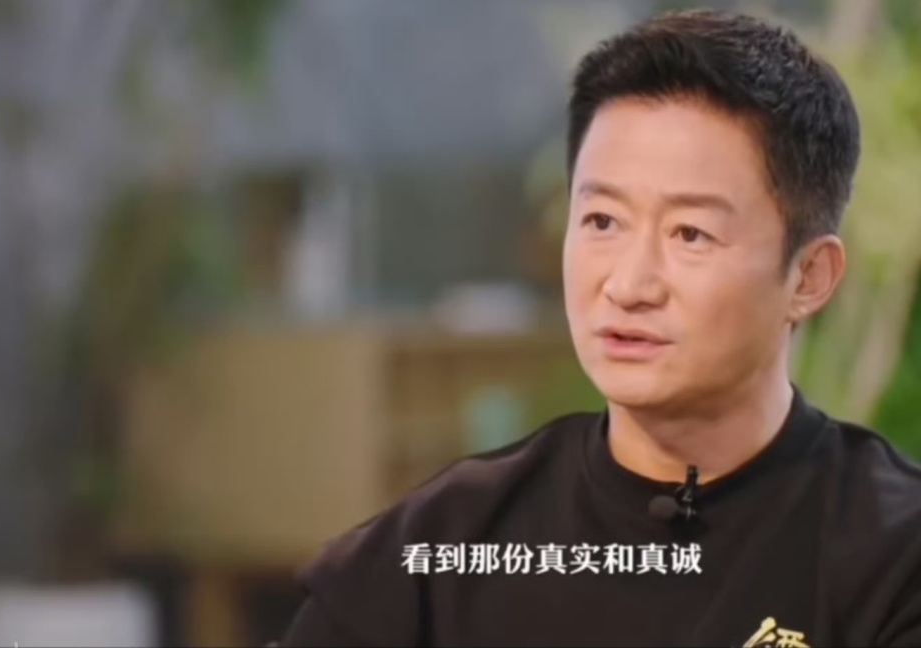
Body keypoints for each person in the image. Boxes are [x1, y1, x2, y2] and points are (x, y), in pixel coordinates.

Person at [281, 8, 921, 647]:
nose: (628, 285)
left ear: (809, 277)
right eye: (602, 222)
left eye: (690, 234)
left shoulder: (893, 553)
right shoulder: (448, 541)